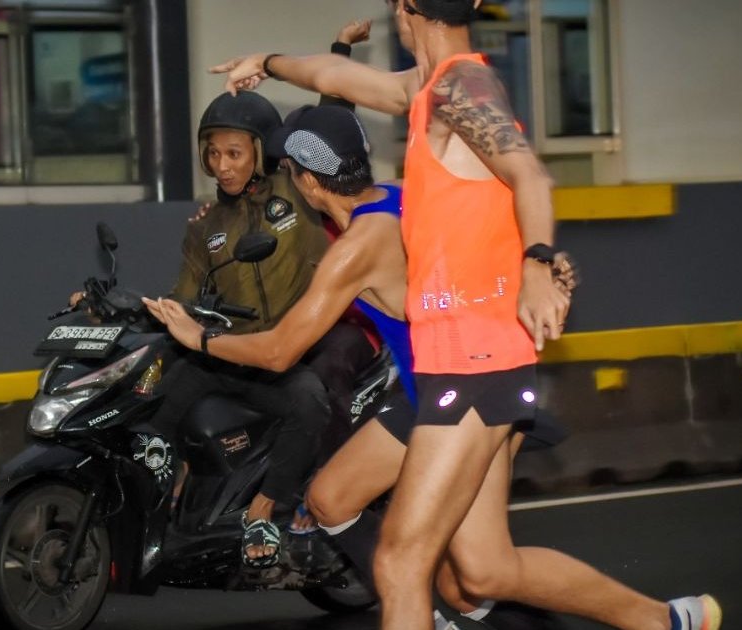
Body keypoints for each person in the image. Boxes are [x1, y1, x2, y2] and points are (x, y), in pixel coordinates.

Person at [209, 2, 722, 629]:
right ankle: (667, 622)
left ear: (405, 9)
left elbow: (530, 174)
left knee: (400, 564)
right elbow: (339, 80)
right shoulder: (431, 87)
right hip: (466, 361)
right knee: (482, 572)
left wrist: (536, 261)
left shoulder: (461, 86)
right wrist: (266, 62)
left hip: (473, 361)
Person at [146, 103, 571, 630]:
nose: (228, 164)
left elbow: (279, 351)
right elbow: (478, 219)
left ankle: (649, 617)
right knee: (336, 504)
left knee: (470, 574)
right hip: (430, 388)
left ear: (306, 180)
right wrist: (542, 262)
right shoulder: (394, 196)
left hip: (458, 394)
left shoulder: (352, 248)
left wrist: (201, 339)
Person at [137, 23, 378, 569]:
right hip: (234, 351)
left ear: (263, 154)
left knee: (310, 401)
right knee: (160, 394)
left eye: (234, 153)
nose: (221, 165)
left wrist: (341, 50)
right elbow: (184, 293)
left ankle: (269, 509)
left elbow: (330, 122)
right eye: (213, 154)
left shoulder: (297, 190)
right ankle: (165, 503)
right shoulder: (205, 225)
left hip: (285, 351)